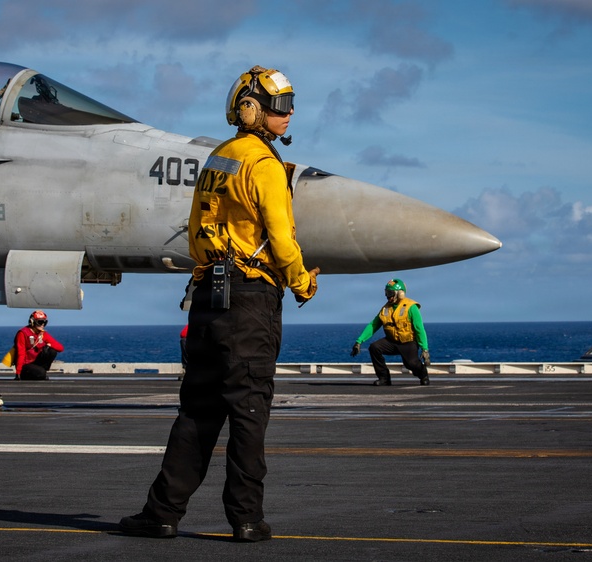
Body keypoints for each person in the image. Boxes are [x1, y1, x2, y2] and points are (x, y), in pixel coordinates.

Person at [121, 65, 319, 543]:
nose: (288, 114)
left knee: (197, 411)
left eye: (290, 104)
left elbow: (194, 233)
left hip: (208, 296)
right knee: (248, 411)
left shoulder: (217, 158)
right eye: (278, 105)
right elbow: (281, 239)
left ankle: (161, 513)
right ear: (250, 108)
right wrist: (301, 283)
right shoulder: (264, 165)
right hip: (250, 303)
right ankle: (246, 518)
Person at [351, 278, 430, 386]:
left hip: (408, 342)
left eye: (390, 293)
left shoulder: (411, 307)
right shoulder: (385, 308)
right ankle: (384, 378)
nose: (388, 296)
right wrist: (359, 341)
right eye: (386, 293)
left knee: (411, 364)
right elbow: (373, 325)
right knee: (374, 347)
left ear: (400, 293)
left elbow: (419, 329)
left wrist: (425, 349)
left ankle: (423, 375)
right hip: (391, 341)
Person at [13, 310, 64, 380]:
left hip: (36, 363)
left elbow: (60, 348)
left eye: (44, 322)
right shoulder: (23, 333)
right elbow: (20, 353)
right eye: (40, 322)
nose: (43, 324)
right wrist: (18, 372)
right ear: (32, 322)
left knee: (52, 351)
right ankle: (36, 373)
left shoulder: (42, 334)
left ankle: (41, 371)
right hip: (25, 365)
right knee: (41, 374)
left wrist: (49, 345)